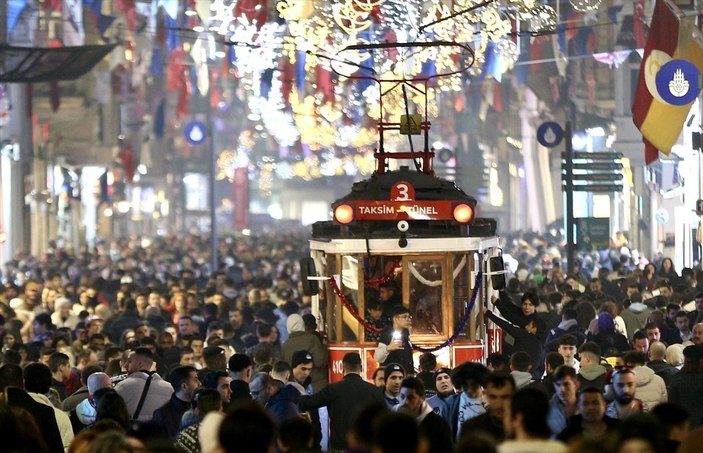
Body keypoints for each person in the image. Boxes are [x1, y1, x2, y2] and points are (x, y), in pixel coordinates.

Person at [298, 352, 385, 451]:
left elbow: (309, 403)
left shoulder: (333, 389)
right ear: (361, 368)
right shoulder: (374, 391)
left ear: (343, 368)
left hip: (339, 446)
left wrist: (291, 391)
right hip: (366, 447)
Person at [395, 376, 453, 453]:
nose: (404, 402)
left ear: (422, 398)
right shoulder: (392, 421)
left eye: (410, 397)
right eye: (402, 396)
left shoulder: (438, 425)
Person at [114, 347, 173, 422]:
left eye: (129, 361)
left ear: (140, 364)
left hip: (133, 432)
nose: (125, 365)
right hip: (160, 433)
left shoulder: (123, 386)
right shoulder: (169, 388)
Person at [500, 387, 567, 453]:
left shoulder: (503, 450)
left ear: (517, 419)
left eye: (506, 415)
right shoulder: (564, 449)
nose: (504, 420)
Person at [459, 372, 515, 444]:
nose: (499, 403)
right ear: (486, 396)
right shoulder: (471, 428)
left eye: (504, 397)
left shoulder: (525, 426)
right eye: (493, 397)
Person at [281, 313, 328, 392]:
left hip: (296, 389)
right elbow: (320, 361)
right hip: (316, 386)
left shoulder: (285, 345)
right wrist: (324, 347)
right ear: (302, 324)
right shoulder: (312, 339)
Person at [153, 365, 201, 440]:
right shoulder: (162, 414)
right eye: (195, 380)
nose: (199, 383)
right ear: (184, 386)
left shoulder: (200, 407)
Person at [556, 387, 620, 442]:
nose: (591, 407)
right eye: (585, 403)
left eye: (595, 403)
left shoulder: (618, 429)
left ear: (605, 406)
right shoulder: (568, 435)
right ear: (579, 407)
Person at [445, 361, 489, 440]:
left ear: (480, 383)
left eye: (474, 385)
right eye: (465, 385)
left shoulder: (489, 400)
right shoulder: (452, 401)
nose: (469, 389)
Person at [373, 305, 414, 374]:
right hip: (390, 375)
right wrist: (388, 348)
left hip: (405, 376)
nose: (408, 319)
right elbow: (377, 358)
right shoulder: (386, 334)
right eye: (404, 317)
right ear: (395, 318)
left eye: (409, 317)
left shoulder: (406, 335)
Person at [547, 365, 579, 437]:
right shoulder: (547, 409)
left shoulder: (587, 406)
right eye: (558, 385)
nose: (562, 389)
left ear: (576, 385)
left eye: (566, 384)